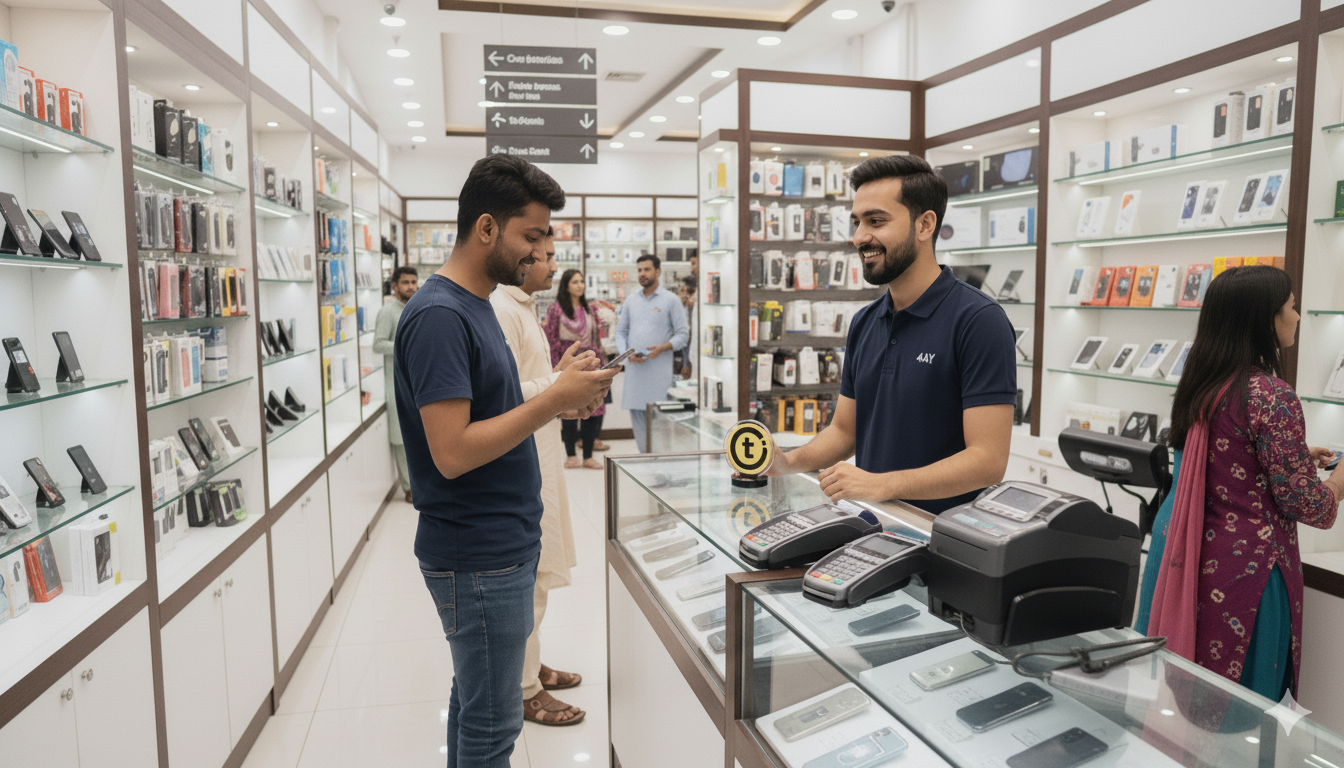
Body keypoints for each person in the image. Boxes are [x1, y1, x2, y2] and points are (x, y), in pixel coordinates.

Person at [394, 155, 616, 767]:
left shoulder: (480, 304)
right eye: (532, 236)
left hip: (499, 544)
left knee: (475, 711)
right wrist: (553, 401)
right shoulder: (442, 315)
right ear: (486, 228)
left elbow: (493, 406)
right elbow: (453, 451)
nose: (541, 251)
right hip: (479, 553)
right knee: (493, 731)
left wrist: (555, 386)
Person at [752, 155, 1017, 513]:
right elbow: (845, 431)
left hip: (943, 543)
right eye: (857, 222)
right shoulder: (865, 321)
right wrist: (788, 462)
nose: (861, 237)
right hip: (872, 528)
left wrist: (883, 483)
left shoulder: (979, 321)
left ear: (924, 225)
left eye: (876, 221)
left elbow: (987, 461)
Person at [1140, 265, 1343, 701]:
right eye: (1291, 307)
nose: (1298, 317)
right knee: (1240, 718)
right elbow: (1311, 506)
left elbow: (1224, 460)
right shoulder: (1271, 394)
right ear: (1264, 318)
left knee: (1185, 704)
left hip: (1191, 560)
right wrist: (1340, 482)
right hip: (1246, 580)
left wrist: (1292, 457)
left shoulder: (1203, 383)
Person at [490, 232, 586, 726]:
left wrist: (564, 379)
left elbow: (532, 386)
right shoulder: (503, 311)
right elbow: (501, 397)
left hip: (543, 456)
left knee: (541, 578)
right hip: (526, 460)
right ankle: (524, 688)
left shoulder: (522, 307)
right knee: (531, 583)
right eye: (544, 257)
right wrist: (559, 384)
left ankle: (532, 666)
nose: (551, 265)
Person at [614, 254, 689, 452]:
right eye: (639, 270)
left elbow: (683, 335)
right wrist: (625, 354)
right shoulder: (631, 300)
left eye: (647, 269)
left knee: (660, 431)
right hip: (635, 376)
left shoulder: (670, 300)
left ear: (658, 272)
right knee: (640, 431)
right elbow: (621, 332)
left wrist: (663, 347)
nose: (642, 274)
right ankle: (646, 468)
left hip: (659, 377)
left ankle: (662, 473)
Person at [544, 268, 607, 468]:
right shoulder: (556, 309)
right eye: (575, 282)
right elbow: (551, 339)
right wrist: (557, 368)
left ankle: (588, 456)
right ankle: (571, 455)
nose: (580, 285)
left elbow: (597, 338)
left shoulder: (590, 309)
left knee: (594, 409)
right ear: (566, 286)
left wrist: (600, 364)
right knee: (569, 409)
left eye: (581, 281)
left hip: (590, 364)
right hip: (568, 365)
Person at [373, 266, 418, 502]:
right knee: (401, 438)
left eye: (414, 282)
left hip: (418, 382)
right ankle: (409, 488)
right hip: (396, 383)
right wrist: (406, 345)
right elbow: (378, 344)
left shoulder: (417, 308)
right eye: (405, 283)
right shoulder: (387, 312)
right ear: (394, 286)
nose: (411, 286)